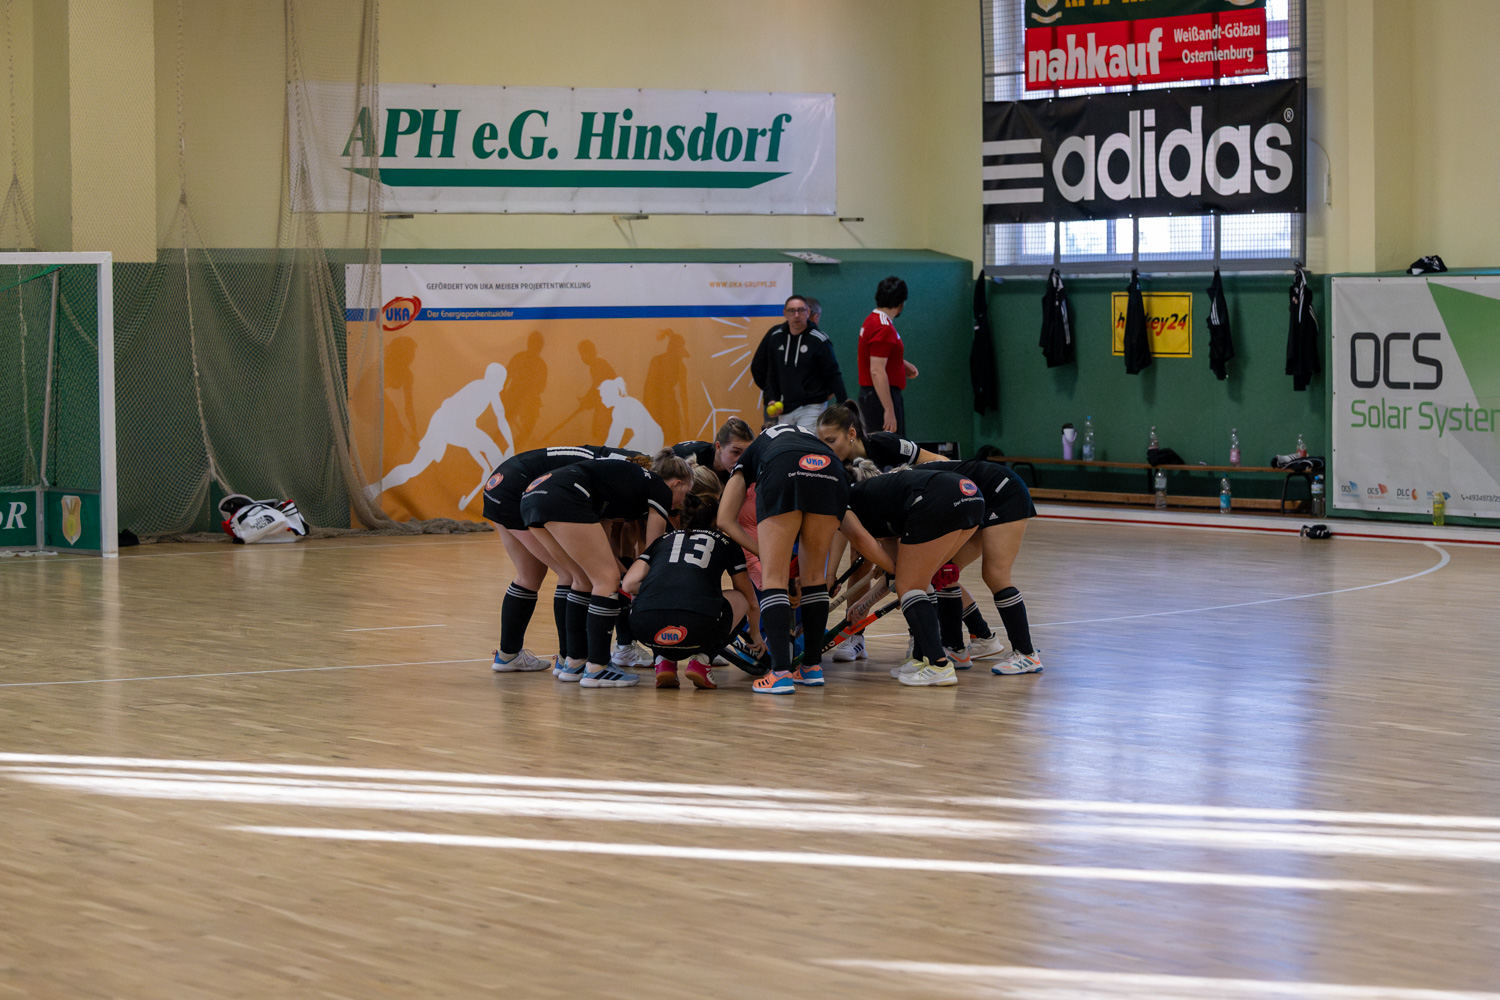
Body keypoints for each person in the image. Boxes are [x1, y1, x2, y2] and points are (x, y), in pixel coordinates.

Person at [817, 401, 1005, 661]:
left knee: (920, 574)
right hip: (889, 518)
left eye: (830, 440)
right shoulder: (836, 468)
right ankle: (856, 636)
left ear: (851, 434)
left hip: (923, 509)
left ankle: (925, 639)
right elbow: (844, 527)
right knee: (865, 560)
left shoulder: (886, 444)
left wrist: (934, 493)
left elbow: (938, 461)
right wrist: (830, 574)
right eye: (821, 441)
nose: (825, 449)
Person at [716, 424, 893, 695]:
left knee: (774, 578)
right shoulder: (814, 444)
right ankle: (811, 668)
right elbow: (857, 534)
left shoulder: (753, 453)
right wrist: (895, 569)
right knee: (814, 578)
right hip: (831, 472)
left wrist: (763, 553)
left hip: (782, 470)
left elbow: (724, 520)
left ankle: (779, 674)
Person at [520, 452, 693, 688]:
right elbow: (653, 552)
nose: (681, 503)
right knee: (606, 580)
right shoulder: (660, 489)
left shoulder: (622, 487)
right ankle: (598, 667)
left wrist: (625, 577)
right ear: (677, 484)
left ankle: (574, 662)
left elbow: (602, 550)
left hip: (532, 496)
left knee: (583, 579)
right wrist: (654, 589)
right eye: (685, 494)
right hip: (563, 495)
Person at [482, 445, 642, 672]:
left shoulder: (597, 461)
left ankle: (508, 655)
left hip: (498, 486)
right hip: (515, 491)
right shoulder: (607, 479)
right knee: (572, 573)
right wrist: (627, 578)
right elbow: (602, 547)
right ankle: (569, 659)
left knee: (529, 576)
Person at [623, 467, 761, 690]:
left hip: (644, 628)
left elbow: (628, 584)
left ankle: (663, 661)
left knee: (653, 597)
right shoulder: (727, 543)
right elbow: (750, 600)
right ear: (717, 518)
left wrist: (663, 586)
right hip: (697, 626)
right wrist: (755, 634)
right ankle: (702, 661)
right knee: (740, 598)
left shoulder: (662, 540)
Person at [847, 466, 983, 686]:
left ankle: (939, 666)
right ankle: (922, 659)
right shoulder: (881, 503)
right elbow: (896, 573)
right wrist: (865, 603)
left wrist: (863, 596)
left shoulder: (846, 503)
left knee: (909, 586)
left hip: (940, 497)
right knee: (919, 582)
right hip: (972, 497)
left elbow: (889, 567)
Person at [928, 451, 1043, 675]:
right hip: (977, 498)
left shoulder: (900, 488)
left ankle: (1027, 655)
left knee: (995, 575)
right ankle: (955, 650)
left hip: (1005, 493)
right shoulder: (898, 485)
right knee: (944, 572)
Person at [749, 295, 847, 432]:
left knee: (805, 442)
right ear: (785, 313)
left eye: (801, 310)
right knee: (785, 443)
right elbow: (771, 373)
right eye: (792, 311)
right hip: (784, 407)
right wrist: (771, 397)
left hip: (812, 406)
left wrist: (843, 405)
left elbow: (833, 373)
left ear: (808, 312)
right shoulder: (776, 337)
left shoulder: (819, 340)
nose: (796, 315)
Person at [858, 276, 918, 436]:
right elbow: (877, 370)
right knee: (889, 447)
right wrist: (889, 409)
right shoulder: (883, 327)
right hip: (879, 398)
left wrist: (901, 363)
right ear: (901, 303)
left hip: (873, 396)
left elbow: (876, 355)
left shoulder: (872, 320)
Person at [671, 417, 754, 484]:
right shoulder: (691, 459)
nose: (741, 460)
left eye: (746, 453)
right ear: (718, 447)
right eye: (736, 452)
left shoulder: (744, 468)